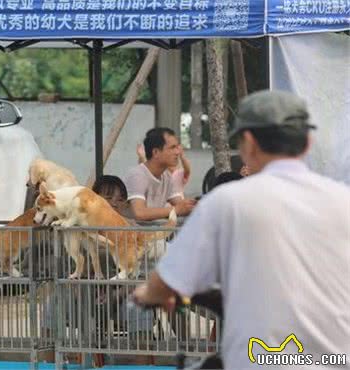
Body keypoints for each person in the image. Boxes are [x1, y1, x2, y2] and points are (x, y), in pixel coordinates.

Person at [132, 90, 350, 369]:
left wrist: (148, 294)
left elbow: (168, 281)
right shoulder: (343, 200)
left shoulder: (227, 202)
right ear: (308, 142)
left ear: (248, 143)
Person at [124, 128, 196, 222]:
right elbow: (139, 213)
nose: (178, 152)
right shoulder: (137, 175)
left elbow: (180, 204)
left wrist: (194, 205)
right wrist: (176, 210)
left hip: (152, 235)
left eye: (177, 147)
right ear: (156, 152)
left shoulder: (167, 177)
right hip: (127, 236)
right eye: (172, 147)